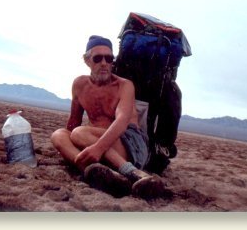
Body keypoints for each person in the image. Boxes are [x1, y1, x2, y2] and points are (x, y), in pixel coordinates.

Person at [50, 35, 165, 199]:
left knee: (79, 133)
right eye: (97, 58)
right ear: (87, 60)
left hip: (128, 142)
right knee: (58, 135)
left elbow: (122, 120)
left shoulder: (124, 86)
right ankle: (100, 174)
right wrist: (68, 146)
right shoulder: (79, 85)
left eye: (109, 58)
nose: (104, 63)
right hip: (96, 141)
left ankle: (132, 172)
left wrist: (97, 148)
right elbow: (74, 120)